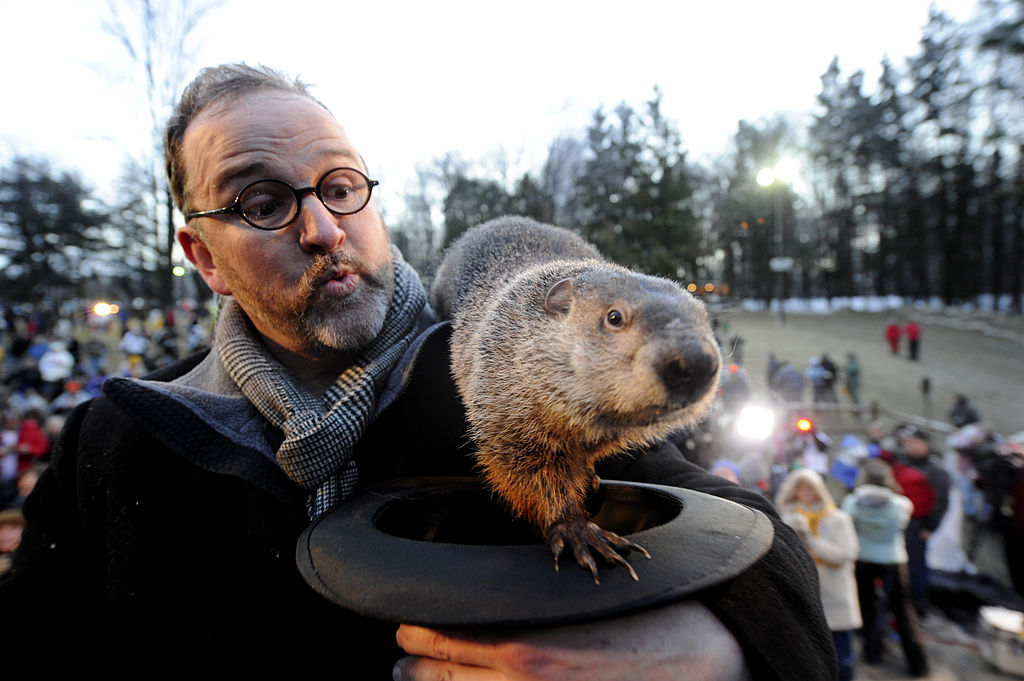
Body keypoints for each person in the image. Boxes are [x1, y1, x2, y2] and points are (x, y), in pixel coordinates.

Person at [0, 63, 836, 679]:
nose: (323, 227)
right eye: (262, 201)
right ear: (203, 256)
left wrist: (723, 652)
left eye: (340, 186)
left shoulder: (504, 373)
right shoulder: (117, 441)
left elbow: (747, 539)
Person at [843, 459, 929, 677]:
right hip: (894, 560)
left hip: (863, 558)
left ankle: (873, 652)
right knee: (902, 610)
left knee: (868, 607)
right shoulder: (902, 504)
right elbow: (903, 524)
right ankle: (918, 664)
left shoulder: (852, 502)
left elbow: (849, 525)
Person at [776, 468, 862, 681]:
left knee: (842, 660)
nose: (805, 492)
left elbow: (845, 554)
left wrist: (810, 539)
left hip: (834, 595)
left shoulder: (838, 519)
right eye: (800, 487)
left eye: (809, 487)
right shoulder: (785, 518)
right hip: (802, 596)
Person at [898, 427, 950, 615]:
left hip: (918, 525)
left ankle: (918, 604)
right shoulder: (902, 464)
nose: (909, 446)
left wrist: (930, 526)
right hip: (899, 522)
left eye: (913, 442)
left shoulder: (934, 470)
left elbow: (941, 500)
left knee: (916, 566)